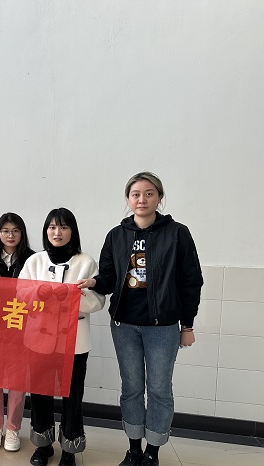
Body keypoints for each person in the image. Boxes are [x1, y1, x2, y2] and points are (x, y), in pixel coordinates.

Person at [78, 172, 203, 466]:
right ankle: (134, 448)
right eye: (135, 194)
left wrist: (187, 325)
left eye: (149, 193)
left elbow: (191, 281)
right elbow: (109, 277)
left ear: (159, 198)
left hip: (163, 327)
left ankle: (152, 452)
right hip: (124, 325)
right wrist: (94, 282)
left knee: (159, 390)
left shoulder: (177, 233)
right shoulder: (116, 235)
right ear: (128, 199)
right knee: (132, 388)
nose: (142, 199)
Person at [20, 208, 105, 466]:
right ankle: (43, 445)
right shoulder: (34, 261)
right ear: (46, 231)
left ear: (73, 231)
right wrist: (39, 294)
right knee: (40, 393)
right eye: (52, 227)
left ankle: (70, 447)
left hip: (74, 342)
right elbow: (20, 294)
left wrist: (70, 298)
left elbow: (98, 301)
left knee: (72, 395)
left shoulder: (86, 262)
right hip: (39, 340)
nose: (57, 233)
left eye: (64, 227)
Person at [0, 212, 35, 452]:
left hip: (23, 328)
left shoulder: (33, 259)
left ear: (22, 233)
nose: (10, 235)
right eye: (5, 231)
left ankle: (12, 429)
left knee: (17, 381)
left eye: (15, 231)